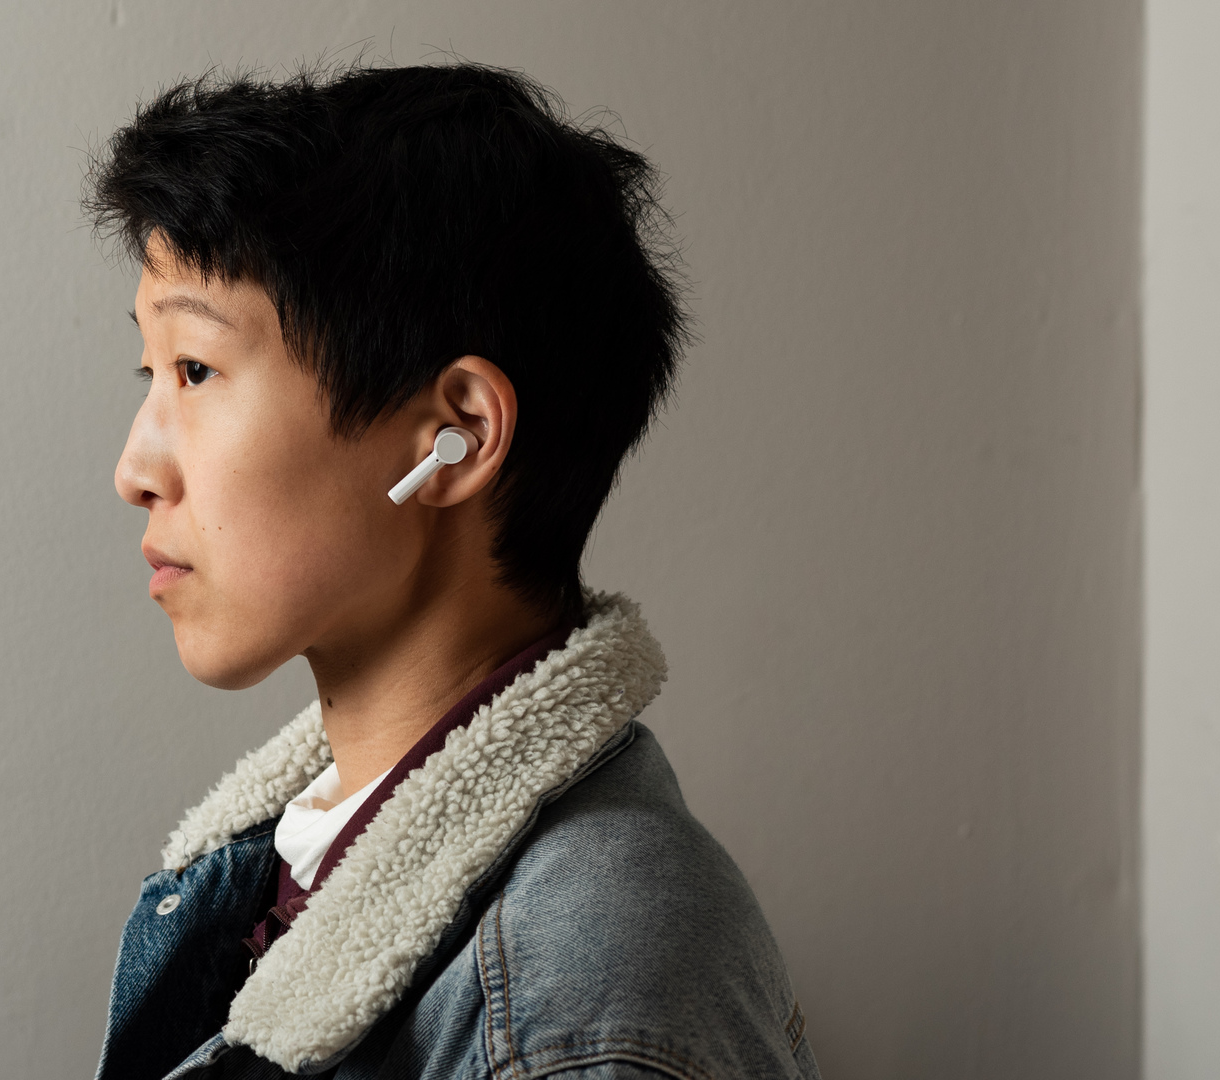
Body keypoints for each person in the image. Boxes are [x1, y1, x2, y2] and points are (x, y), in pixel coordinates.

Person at [85, 62, 820, 1080]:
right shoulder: (288, 866)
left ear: (457, 437)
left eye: (198, 371)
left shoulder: (592, 975)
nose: (135, 470)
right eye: (149, 372)